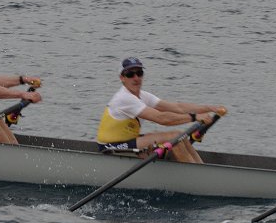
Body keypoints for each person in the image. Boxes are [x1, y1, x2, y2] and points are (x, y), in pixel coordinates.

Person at [96, 57, 227, 163]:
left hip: (128, 140)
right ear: (122, 78)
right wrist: (194, 117)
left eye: (139, 73)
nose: (136, 78)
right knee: (174, 137)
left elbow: (177, 107)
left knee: (179, 135)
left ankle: (199, 168)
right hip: (110, 146)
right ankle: (195, 176)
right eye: (130, 74)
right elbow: (161, 118)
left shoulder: (143, 96)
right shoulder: (124, 98)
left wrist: (208, 108)